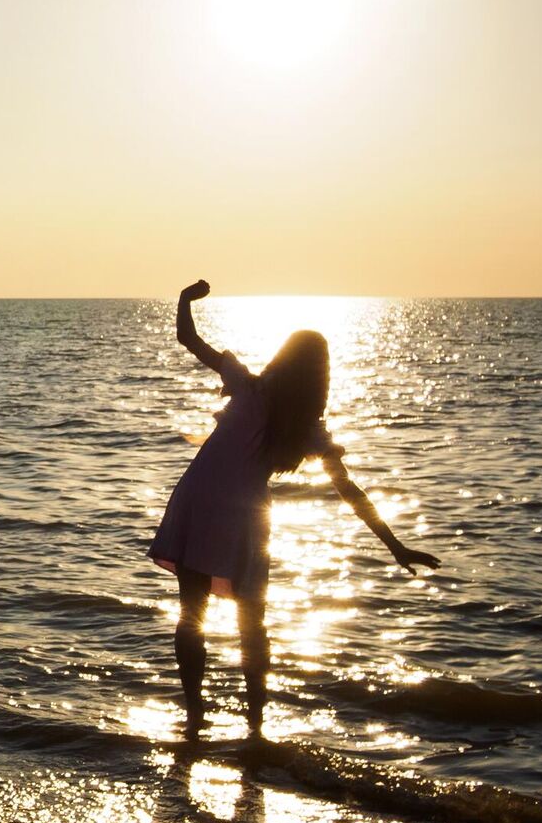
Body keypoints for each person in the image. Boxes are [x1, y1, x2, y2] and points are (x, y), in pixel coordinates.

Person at [149, 279, 438, 735]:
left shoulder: (246, 386)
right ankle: (257, 727)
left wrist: (185, 299)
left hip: (197, 500)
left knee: (192, 615)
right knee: (252, 623)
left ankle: (195, 716)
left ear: (281, 358)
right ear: (321, 377)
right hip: (243, 517)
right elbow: (349, 490)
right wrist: (395, 545)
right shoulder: (306, 429)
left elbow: (188, 338)